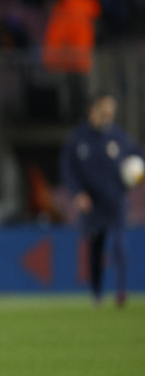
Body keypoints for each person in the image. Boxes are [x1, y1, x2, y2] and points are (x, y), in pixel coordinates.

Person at [60, 93, 143, 308]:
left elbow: (138, 158)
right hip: (91, 202)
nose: (109, 113)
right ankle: (97, 294)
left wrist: (137, 174)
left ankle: (121, 292)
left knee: (119, 244)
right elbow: (69, 169)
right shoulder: (78, 138)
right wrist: (78, 193)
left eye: (111, 108)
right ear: (93, 109)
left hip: (115, 200)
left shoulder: (118, 137)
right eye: (105, 108)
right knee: (96, 247)